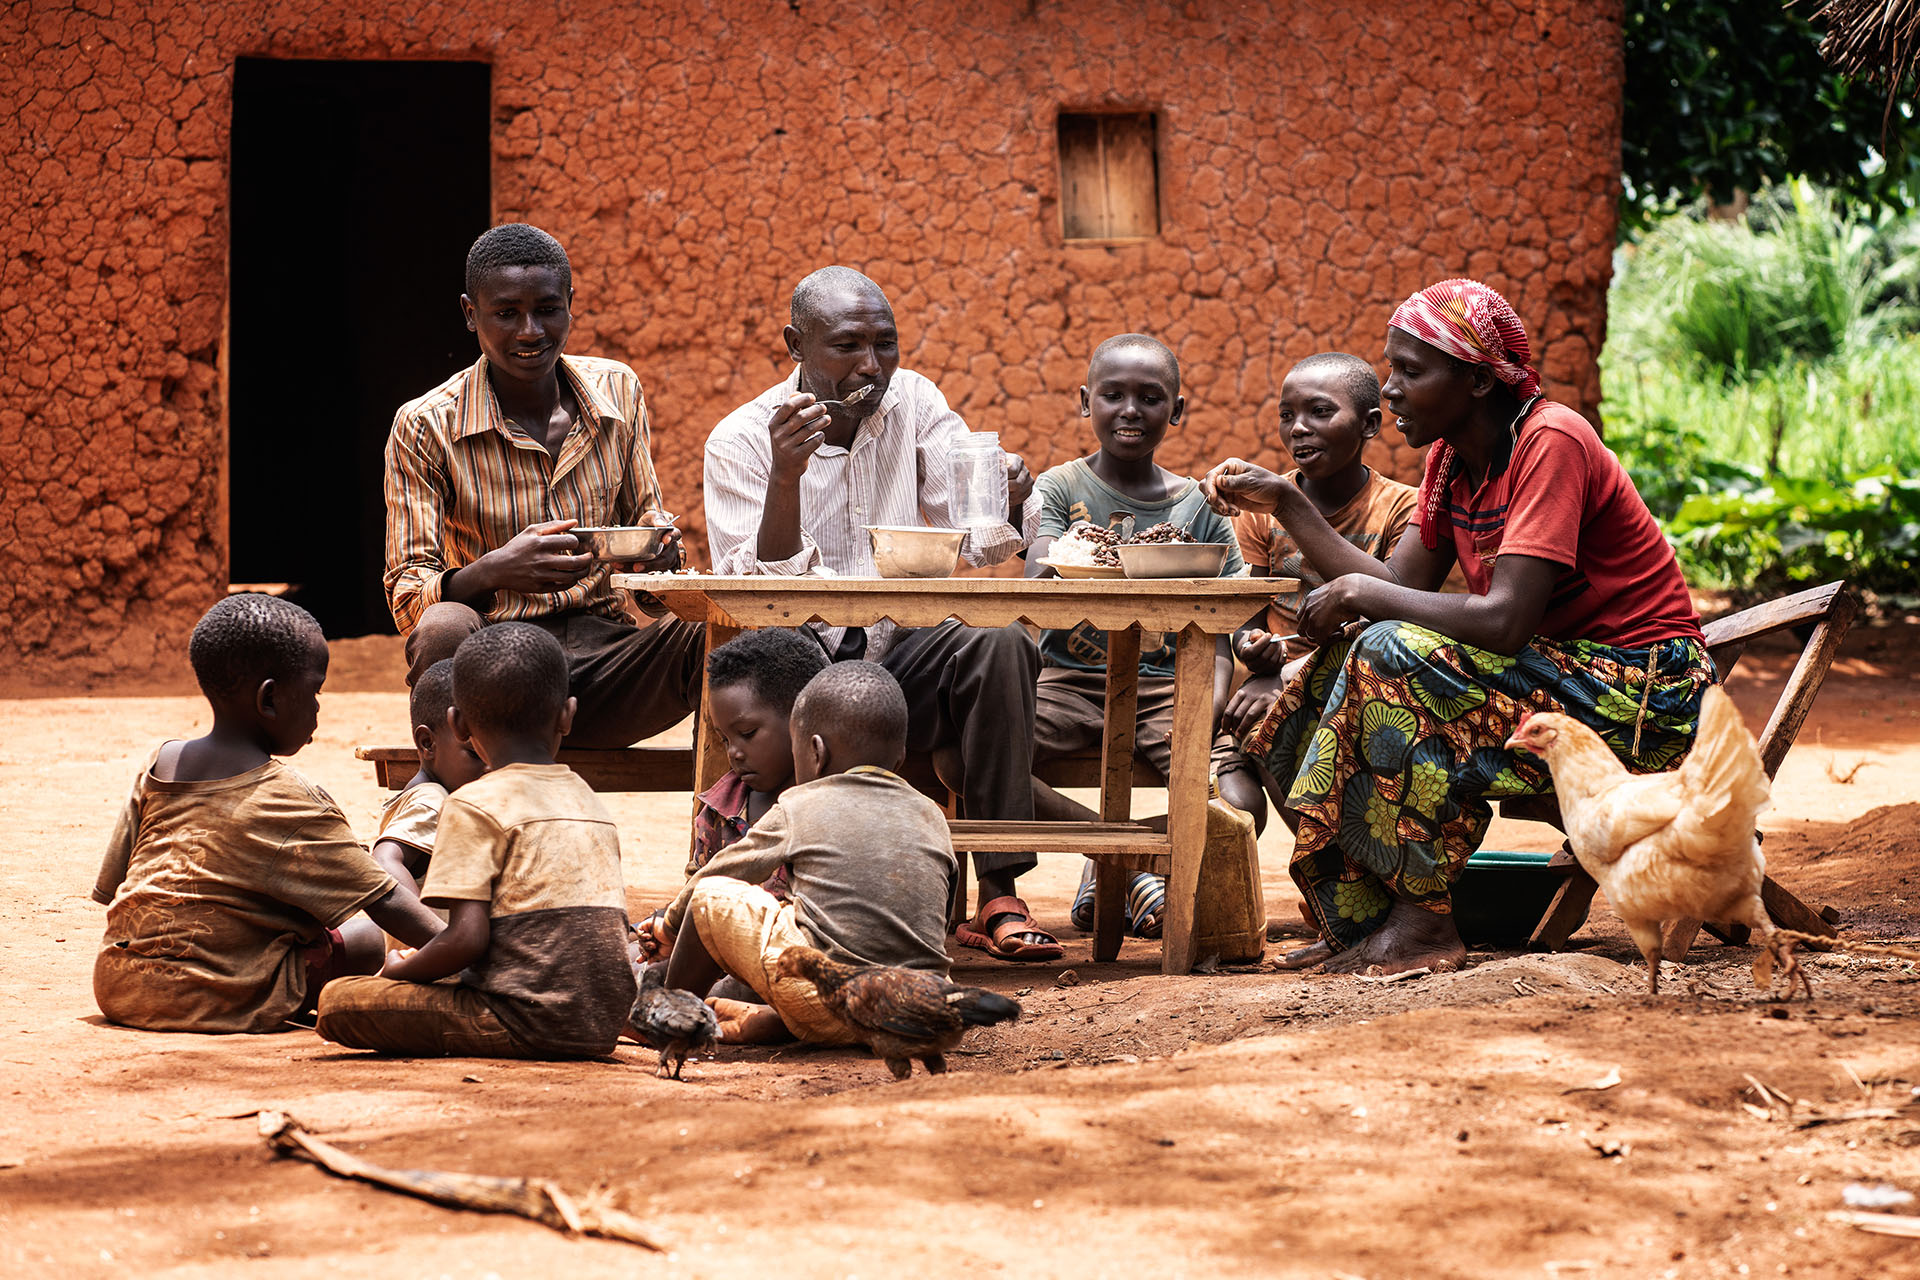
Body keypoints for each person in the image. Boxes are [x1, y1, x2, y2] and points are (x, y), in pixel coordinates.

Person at [1202, 278, 1713, 976]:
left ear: (1475, 381)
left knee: (1386, 650)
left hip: (1642, 694)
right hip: (1552, 678)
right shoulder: (1450, 462)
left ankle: (1423, 921)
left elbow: (1503, 621)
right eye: (1391, 370)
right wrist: (1288, 502)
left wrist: (1358, 595)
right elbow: (1400, 585)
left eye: (1410, 371)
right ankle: (1359, 920)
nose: (1390, 390)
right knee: (1303, 688)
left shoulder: (1550, 440)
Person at [704, 265, 1060, 962]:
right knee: (786, 676)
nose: (872, 366)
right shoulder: (742, 439)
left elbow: (982, 539)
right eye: (846, 347)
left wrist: (1008, 494)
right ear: (796, 346)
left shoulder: (916, 402)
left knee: (999, 645)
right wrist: (786, 475)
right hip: (801, 668)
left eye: (885, 345)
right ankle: (800, 899)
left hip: (902, 654)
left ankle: (1000, 893)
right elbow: (761, 588)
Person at [383, 222, 702, 748]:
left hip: (608, 664)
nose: (530, 331)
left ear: (570, 304)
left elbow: (647, 553)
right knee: (442, 625)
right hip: (493, 681)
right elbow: (408, 593)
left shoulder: (618, 392)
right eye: (506, 313)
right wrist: (495, 570)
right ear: (470, 314)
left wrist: (656, 556)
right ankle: (447, 798)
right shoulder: (426, 423)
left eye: (547, 309)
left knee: (719, 632)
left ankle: (725, 812)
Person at [90, 594, 443, 1033]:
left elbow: (112, 888)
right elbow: (385, 901)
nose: (318, 708)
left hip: (121, 986)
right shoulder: (291, 799)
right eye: (315, 691)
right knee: (366, 938)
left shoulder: (159, 763)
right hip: (220, 996)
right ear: (270, 699)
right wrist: (467, 952)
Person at [315, 624, 638, 1058]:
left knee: (338, 1002)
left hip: (519, 1020)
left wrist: (400, 973)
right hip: (601, 1022)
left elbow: (466, 941)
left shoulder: (472, 804)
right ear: (568, 713)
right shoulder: (588, 799)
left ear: (459, 723)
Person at [1025, 334, 1245, 938]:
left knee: (1229, 800)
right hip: (1066, 682)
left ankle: (1117, 867)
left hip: (1164, 687)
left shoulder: (1200, 508)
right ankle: (1116, 856)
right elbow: (1035, 581)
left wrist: (1208, 707)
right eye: (1112, 395)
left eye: (1150, 398)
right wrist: (1070, 551)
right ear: (1084, 401)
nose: (1130, 410)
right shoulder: (1060, 489)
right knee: (975, 762)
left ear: (1176, 409)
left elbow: (1220, 638)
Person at [645, 662, 957, 1046]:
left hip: (829, 1002)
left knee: (713, 896)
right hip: (924, 1012)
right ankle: (780, 1022)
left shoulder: (801, 803)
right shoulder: (931, 814)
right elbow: (938, 916)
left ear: (815, 752)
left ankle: (670, 1020)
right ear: (899, 758)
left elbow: (720, 874)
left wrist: (669, 924)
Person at [1214, 352, 1419, 818]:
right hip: (1265, 684)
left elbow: (1389, 618)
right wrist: (1253, 648)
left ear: (1369, 424)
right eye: (1287, 416)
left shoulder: (1400, 508)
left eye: (1320, 411)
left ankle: (1335, 870)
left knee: (1278, 719)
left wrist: (1288, 680)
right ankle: (1330, 871)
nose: (1298, 428)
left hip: (1358, 681)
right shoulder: (1258, 510)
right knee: (1242, 781)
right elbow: (1244, 618)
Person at [689, 627, 831, 903]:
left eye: (748, 733)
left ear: (800, 719)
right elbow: (695, 900)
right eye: (724, 739)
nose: (734, 753)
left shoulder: (834, 811)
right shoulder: (718, 812)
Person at [369, 658, 486, 899]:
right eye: (476, 754)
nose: (490, 766)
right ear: (427, 743)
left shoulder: (439, 794)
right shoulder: (432, 801)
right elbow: (384, 860)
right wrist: (429, 931)